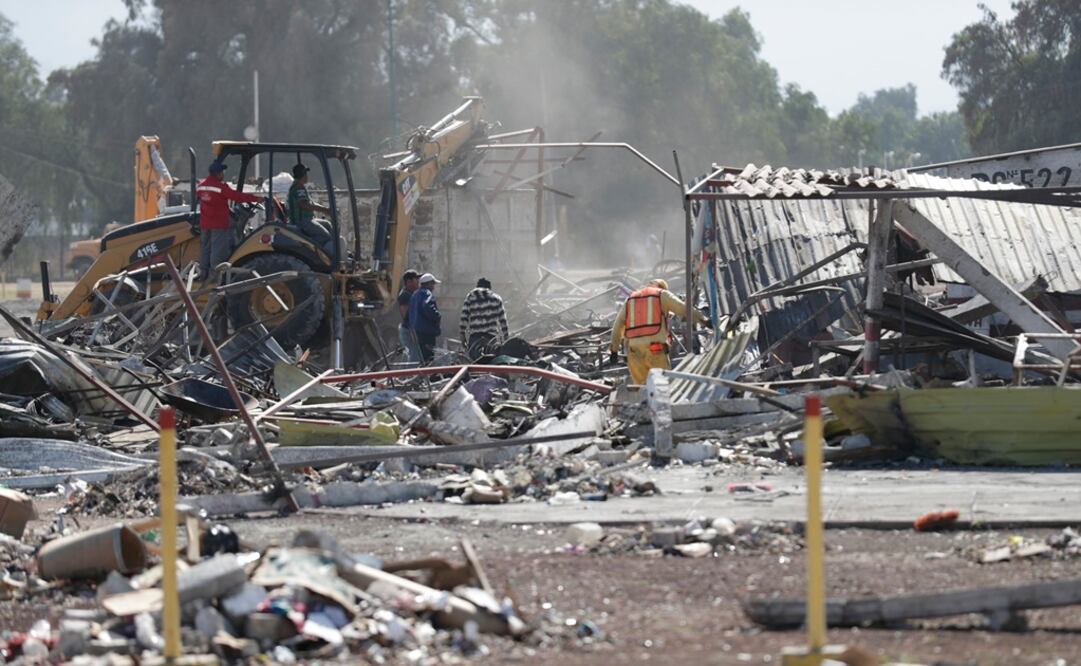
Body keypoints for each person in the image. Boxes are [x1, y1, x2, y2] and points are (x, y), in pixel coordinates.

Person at [609, 278, 709, 385]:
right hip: (655, 350)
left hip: (634, 352)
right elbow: (683, 309)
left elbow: (618, 325)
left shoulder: (631, 298)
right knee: (662, 385)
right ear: (662, 288)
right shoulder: (662, 295)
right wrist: (704, 320)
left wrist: (614, 350)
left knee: (641, 388)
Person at [195, 159, 262, 278]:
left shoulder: (201, 187)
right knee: (217, 251)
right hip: (219, 224)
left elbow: (202, 199)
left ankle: (203, 274)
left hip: (205, 224)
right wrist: (256, 199)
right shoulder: (220, 187)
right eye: (222, 172)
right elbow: (236, 196)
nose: (223, 174)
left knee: (205, 249)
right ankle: (215, 277)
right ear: (218, 174)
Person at [287, 163, 334, 254]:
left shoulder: (298, 186)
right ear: (303, 175)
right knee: (325, 237)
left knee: (327, 225)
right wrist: (324, 210)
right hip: (302, 221)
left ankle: (332, 252)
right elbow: (304, 205)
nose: (307, 176)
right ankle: (318, 254)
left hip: (307, 219)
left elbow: (309, 203)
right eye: (306, 174)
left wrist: (325, 209)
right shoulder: (299, 188)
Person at [460, 277, 509, 361]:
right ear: (489, 288)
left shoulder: (470, 297)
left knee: (474, 363)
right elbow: (503, 321)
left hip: (475, 338)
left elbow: (464, 317)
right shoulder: (496, 298)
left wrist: (462, 336)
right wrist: (505, 338)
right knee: (491, 363)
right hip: (491, 339)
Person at [408, 273, 442, 363]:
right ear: (429, 284)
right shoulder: (427, 293)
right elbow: (427, 306)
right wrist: (437, 316)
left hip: (416, 331)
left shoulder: (415, 294)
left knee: (421, 357)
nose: (433, 287)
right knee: (429, 358)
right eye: (433, 284)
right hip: (427, 332)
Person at [397, 269, 422, 363]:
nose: (418, 281)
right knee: (414, 356)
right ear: (409, 281)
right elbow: (405, 314)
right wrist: (413, 330)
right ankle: (409, 372)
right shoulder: (405, 295)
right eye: (416, 279)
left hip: (410, 329)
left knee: (412, 355)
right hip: (408, 330)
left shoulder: (412, 293)